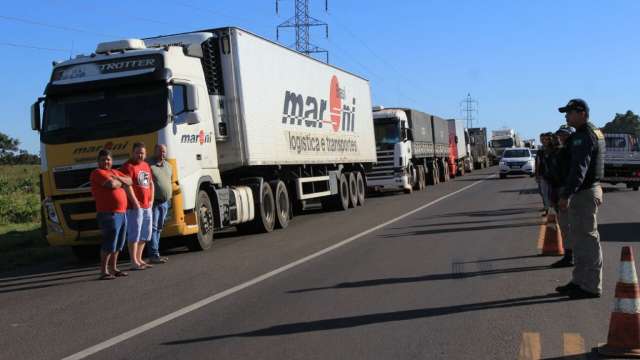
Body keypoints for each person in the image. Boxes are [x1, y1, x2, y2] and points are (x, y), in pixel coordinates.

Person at [555, 99, 605, 299]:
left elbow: (579, 170)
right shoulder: (584, 134)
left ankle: (591, 286)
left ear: (582, 113)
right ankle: (579, 281)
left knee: (587, 240)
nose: (566, 116)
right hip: (584, 190)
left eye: (569, 112)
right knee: (580, 240)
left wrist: (566, 194)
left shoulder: (584, 136)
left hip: (583, 192)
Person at [90, 149, 132, 280]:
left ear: (112, 161)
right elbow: (111, 184)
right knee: (109, 242)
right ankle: (104, 271)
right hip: (108, 213)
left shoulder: (114, 172)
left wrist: (118, 178)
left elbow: (130, 181)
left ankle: (114, 268)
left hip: (121, 212)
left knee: (119, 243)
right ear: (98, 162)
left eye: (108, 159)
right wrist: (120, 182)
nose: (106, 162)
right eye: (103, 159)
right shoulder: (97, 173)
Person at [121, 142, 155, 270]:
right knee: (135, 233)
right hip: (135, 207)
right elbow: (126, 185)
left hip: (147, 205)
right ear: (132, 153)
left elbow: (151, 183)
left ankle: (139, 258)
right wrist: (135, 202)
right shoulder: (128, 166)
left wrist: (151, 199)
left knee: (146, 234)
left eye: (142, 153)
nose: (140, 155)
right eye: (137, 152)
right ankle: (133, 261)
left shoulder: (146, 165)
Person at [548, 125, 575, 268]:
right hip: (559, 189)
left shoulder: (571, 151)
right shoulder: (559, 151)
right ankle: (569, 255)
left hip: (568, 191)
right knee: (564, 225)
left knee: (569, 225)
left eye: (564, 134)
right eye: (559, 135)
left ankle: (571, 256)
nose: (561, 137)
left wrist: (566, 194)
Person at [148, 144, 174, 264]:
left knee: (158, 229)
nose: (162, 154)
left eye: (164, 152)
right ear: (155, 151)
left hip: (165, 203)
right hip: (154, 203)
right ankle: (153, 255)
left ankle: (156, 253)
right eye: (159, 151)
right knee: (153, 229)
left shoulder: (168, 166)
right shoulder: (149, 165)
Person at [535, 133, 553, 216]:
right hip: (543, 175)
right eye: (542, 139)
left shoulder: (554, 149)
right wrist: (537, 175)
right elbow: (538, 164)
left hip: (553, 175)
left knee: (551, 193)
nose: (544, 141)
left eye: (546, 139)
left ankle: (551, 208)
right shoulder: (540, 151)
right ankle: (547, 209)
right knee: (544, 193)